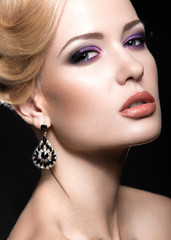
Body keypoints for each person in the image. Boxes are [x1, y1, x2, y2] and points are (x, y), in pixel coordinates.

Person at [0, 0, 170, 239]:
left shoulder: (163, 216)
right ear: (32, 106)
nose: (133, 67)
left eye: (134, 41)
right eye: (86, 55)